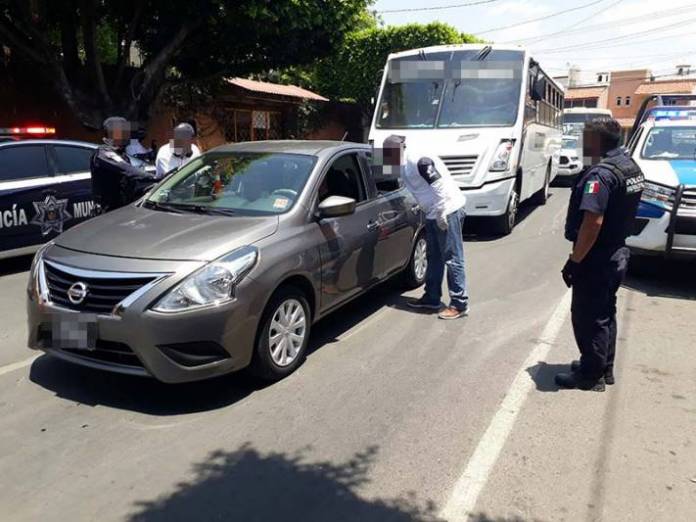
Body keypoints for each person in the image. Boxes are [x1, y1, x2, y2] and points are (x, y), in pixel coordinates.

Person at [556, 118, 645, 392]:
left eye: (585, 139)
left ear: (595, 142)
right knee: (605, 311)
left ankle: (590, 375)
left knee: (588, 316)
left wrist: (575, 261)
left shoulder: (600, 175)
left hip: (597, 257)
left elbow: (592, 223)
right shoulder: (629, 166)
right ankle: (602, 367)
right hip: (617, 252)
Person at [382, 135, 469, 320]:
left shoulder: (418, 160)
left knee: (452, 258)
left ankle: (459, 304)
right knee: (433, 256)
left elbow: (440, 185)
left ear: (400, 151)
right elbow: (385, 177)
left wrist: (442, 213)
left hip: (448, 209)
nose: (389, 161)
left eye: (390, 156)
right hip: (431, 212)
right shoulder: (398, 162)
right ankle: (432, 298)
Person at [91, 116, 156, 213]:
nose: (128, 135)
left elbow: (129, 182)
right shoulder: (104, 153)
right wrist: (154, 177)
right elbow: (129, 170)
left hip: (123, 209)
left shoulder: (121, 154)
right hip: (108, 212)